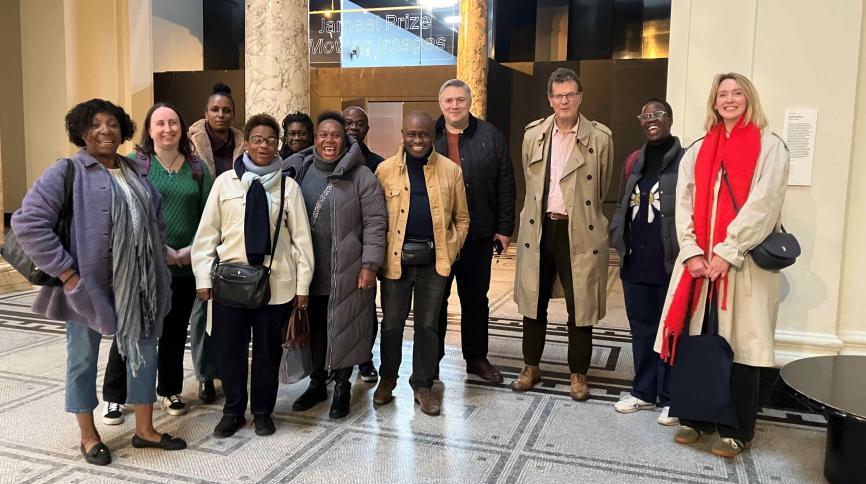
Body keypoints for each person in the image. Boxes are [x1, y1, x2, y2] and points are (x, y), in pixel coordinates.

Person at [11, 99, 187, 466]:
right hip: (85, 289)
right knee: (83, 360)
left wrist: (160, 271)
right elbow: (27, 223)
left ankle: (145, 430)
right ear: (81, 132)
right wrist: (68, 274)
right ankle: (89, 436)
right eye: (95, 124)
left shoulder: (135, 171)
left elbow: (154, 225)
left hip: (139, 286)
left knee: (143, 354)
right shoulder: (67, 171)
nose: (105, 130)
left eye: (112, 124)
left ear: (123, 131)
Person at [657, 73, 789, 458]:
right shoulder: (698, 149)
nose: (729, 100)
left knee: (741, 347)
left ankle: (736, 429)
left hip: (743, 266)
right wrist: (693, 251)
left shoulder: (770, 147)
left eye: (736, 93)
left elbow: (764, 206)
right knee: (697, 337)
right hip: (699, 267)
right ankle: (695, 417)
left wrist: (728, 251)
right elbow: (682, 203)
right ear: (714, 102)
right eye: (722, 94)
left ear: (749, 99)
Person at [192, 114, 315, 438]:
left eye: (271, 140)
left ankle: (263, 411)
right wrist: (203, 279)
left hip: (275, 285)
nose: (264, 145)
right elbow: (207, 235)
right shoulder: (224, 184)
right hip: (230, 285)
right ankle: (233, 410)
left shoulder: (289, 187)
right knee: (229, 351)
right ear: (246, 143)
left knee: (267, 353)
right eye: (258, 139)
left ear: (279, 145)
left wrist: (302, 287)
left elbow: (302, 241)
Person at [101, 102, 213, 424]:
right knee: (131, 328)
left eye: (173, 122)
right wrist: (160, 248)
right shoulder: (135, 165)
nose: (167, 129)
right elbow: (126, 212)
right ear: (149, 130)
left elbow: (209, 216)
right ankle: (115, 397)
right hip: (143, 265)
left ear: (182, 127)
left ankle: (169, 389)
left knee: (176, 330)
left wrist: (191, 250)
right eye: (160, 123)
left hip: (186, 264)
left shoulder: (196, 166)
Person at [512, 68, 614, 401]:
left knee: (580, 303)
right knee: (533, 299)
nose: (564, 100)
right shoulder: (534, 135)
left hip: (579, 230)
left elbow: (601, 187)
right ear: (550, 99)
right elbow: (530, 182)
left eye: (570, 94)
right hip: (540, 227)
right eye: (558, 95)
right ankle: (530, 366)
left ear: (580, 96)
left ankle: (578, 373)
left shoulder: (600, 138)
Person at [285, 111, 387, 419]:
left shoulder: (362, 176)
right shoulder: (300, 170)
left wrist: (370, 265)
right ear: (316, 138)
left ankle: (342, 386)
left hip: (347, 270)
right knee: (314, 329)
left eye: (336, 135)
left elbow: (375, 222)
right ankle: (318, 382)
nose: (329, 141)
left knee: (344, 329)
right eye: (323, 135)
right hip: (308, 271)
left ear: (346, 140)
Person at [373, 112, 470, 416]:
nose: (418, 140)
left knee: (428, 326)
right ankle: (387, 381)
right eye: (412, 134)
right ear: (403, 134)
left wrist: (451, 249)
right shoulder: (384, 170)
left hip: (434, 264)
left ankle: (423, 386)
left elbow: (462, 218)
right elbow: (375, 220)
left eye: (424, 134)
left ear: (433, 135)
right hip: (395, 263)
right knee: (391, 325)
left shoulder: (451, 171)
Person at [433, 79, 515, 383]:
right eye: (449, 100)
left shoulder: (491, 136)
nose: (455, 106)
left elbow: (505, 182)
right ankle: (432, 359)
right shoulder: (428, 135)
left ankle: (476, 358)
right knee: (436, 299)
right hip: (439, 236)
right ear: (441, 104)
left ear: (469, 102)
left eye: (460, 100)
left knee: (476, 299)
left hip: (478, 235)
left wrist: (504, 228)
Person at [609, 99, 683, 425]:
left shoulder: (685, 161)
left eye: (658, 115)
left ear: (669, 119)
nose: (652, 120)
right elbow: (623, 203)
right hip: (635, 261)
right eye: (646, 115)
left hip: (667, 262)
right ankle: (643, 391)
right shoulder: (634, 161)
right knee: (641, 329)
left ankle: (670, 398)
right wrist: (616, 235)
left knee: (670, 331)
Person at [187, 82, 244, 402]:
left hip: (234, 236)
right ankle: (205, 373)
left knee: (231, 311)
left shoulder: (242, 143)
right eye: (215, 109)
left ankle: (227, 367)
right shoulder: (190, 143)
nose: (220, 114)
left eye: (226, 110)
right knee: (201, 310)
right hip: (203, 234)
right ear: (205, 112)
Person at [342, 105, 385, 382]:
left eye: (360, 123)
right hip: (335, 248)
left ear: (367, 129)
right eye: (348, 122)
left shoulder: (378, 164)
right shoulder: (325, 159)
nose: (354, 127)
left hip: (363, 247)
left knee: (365, 308)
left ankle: (365, 358)